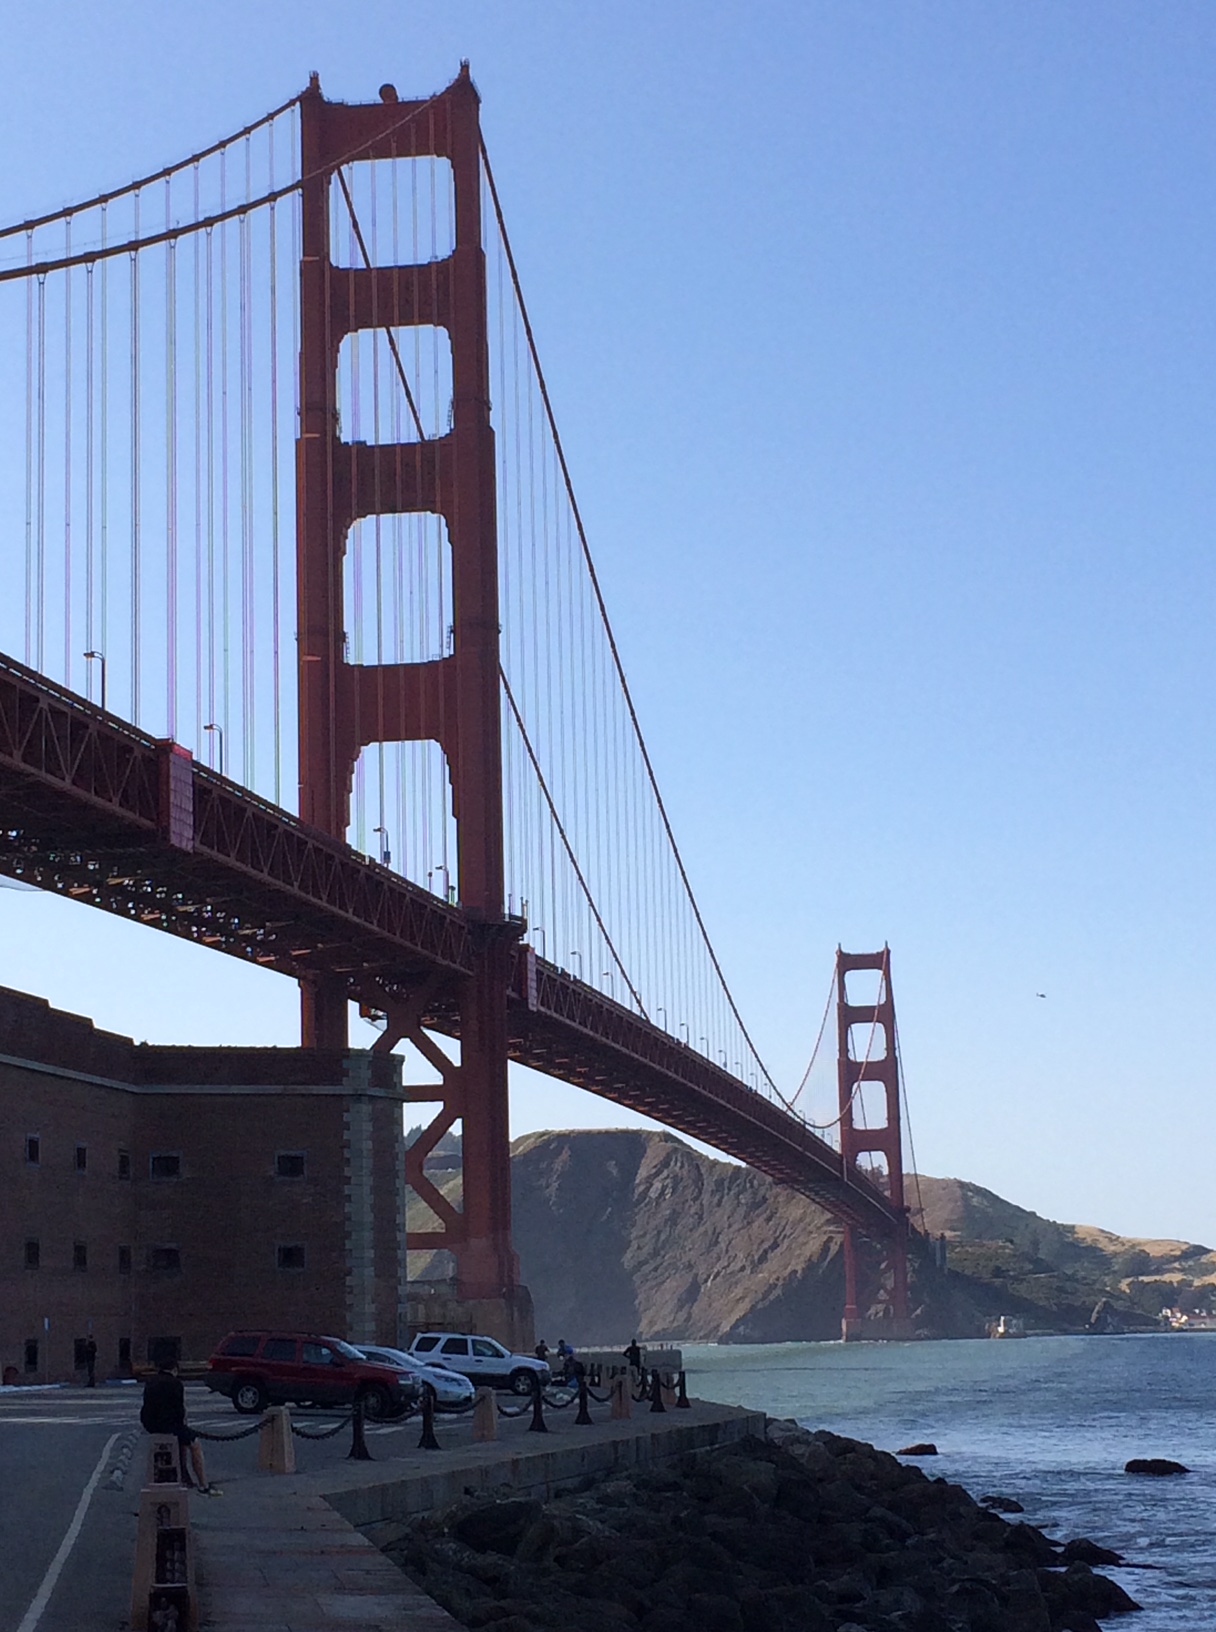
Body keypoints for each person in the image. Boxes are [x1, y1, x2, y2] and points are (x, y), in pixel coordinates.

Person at [140, 1355, 220, 1495]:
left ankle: (183, 1476)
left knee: (182, 1438)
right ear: (174, 1369)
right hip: (169, 1426)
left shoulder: (150, 1381)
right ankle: (203, 1484)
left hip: (151, 1425)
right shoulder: (176, 1384)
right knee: (194, 1445)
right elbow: (179, 1411)